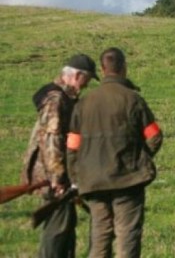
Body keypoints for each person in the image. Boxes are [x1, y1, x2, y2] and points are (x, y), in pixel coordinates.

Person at [66, 47, 163, 257]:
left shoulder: (83, 103)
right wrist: (139, 158)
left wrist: (76, 178)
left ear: (102, 69)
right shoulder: (132, 99)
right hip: (127, 180)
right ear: (124, 68)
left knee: (99, 237)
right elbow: (154, 136)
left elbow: (72, 147)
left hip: (92, 181)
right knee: (127, 237)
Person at [21, 54, 98, 258]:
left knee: (65, 225)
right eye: (87, 80)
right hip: (52, 175)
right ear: (77, 75)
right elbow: (52, 139)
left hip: (53, 172)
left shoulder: (60, 97)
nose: (86, 86)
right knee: (58, 227)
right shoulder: (56, 99)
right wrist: (57, 177)